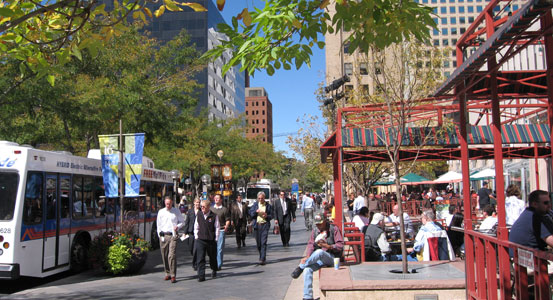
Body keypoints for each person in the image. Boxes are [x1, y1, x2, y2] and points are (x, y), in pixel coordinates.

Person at [291, 212, 344, 300]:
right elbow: (311, 244)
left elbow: (340, 245)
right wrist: (308, 256)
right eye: (317, 223)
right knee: (307, 269)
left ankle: (300, 267)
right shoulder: (315, 230)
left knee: (319, 252)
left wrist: (329, 246)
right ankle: (307, 297)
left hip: (332, 258)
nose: (318, 225)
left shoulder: (334, 229)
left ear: (325, 221)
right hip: (319, 259)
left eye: (320, 223)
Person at [156, 196, 185, 283]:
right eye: (166, 203)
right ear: (165, 203)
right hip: (163, 235)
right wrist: (159, 235)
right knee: (164, 255)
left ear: (172, 203)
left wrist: (178, 226)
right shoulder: (161, 212)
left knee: (171, 255)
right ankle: (167, 273)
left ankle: (173, 275)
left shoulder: (176, 211)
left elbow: (182, 222)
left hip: (173, 235)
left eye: (169, 203)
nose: (168, 205)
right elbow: (158, 225)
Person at [194, 199, 220, 282]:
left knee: (212, 257)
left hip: (210, 240)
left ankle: (214, 269)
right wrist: (196, 236)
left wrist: (216, 238)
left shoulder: (214, 216)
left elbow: (217, 227)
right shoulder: (199, 214)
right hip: (200, 239)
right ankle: (201, 275)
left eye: (204, 207)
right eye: (201, 207)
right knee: (200, 258)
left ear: (208, 207)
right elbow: (196, 226)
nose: (202, 208)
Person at [249, 191, 273, 265]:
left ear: (264, 198)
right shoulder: (255, 205)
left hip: (264, 225)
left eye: (262, 198)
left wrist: (267, 216)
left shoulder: (268, 206)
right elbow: (250, 213)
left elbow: (272, 215)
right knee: (258, 243)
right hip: (257, 226)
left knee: (263, 242)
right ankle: (261, 255)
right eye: (259, 198)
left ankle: (262, 258)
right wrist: (256, 212)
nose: (260, 200)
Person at [210, 194, 231, 270]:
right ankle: (213, 262)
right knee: (212, 248)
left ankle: (218, 264)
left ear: (221, 200)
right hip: (212, 231)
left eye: (218, 198)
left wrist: (226, 226)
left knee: (219, 248)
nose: (216, 199)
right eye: (215, 198)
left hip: (221, 230)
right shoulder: (211, 209)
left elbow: (228, 219)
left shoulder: (224, 209)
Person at [183, 197, 200, 270]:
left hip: (198, 233)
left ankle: (195, 263)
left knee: (195, 249)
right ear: (194, 203)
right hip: (190, 232)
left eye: (198, 202)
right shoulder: (190, 211)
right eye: (196, 202)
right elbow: (187, 222)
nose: (197, 204)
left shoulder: (201, 211)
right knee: (191, 248)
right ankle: (195, 259)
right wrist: (184, 232)